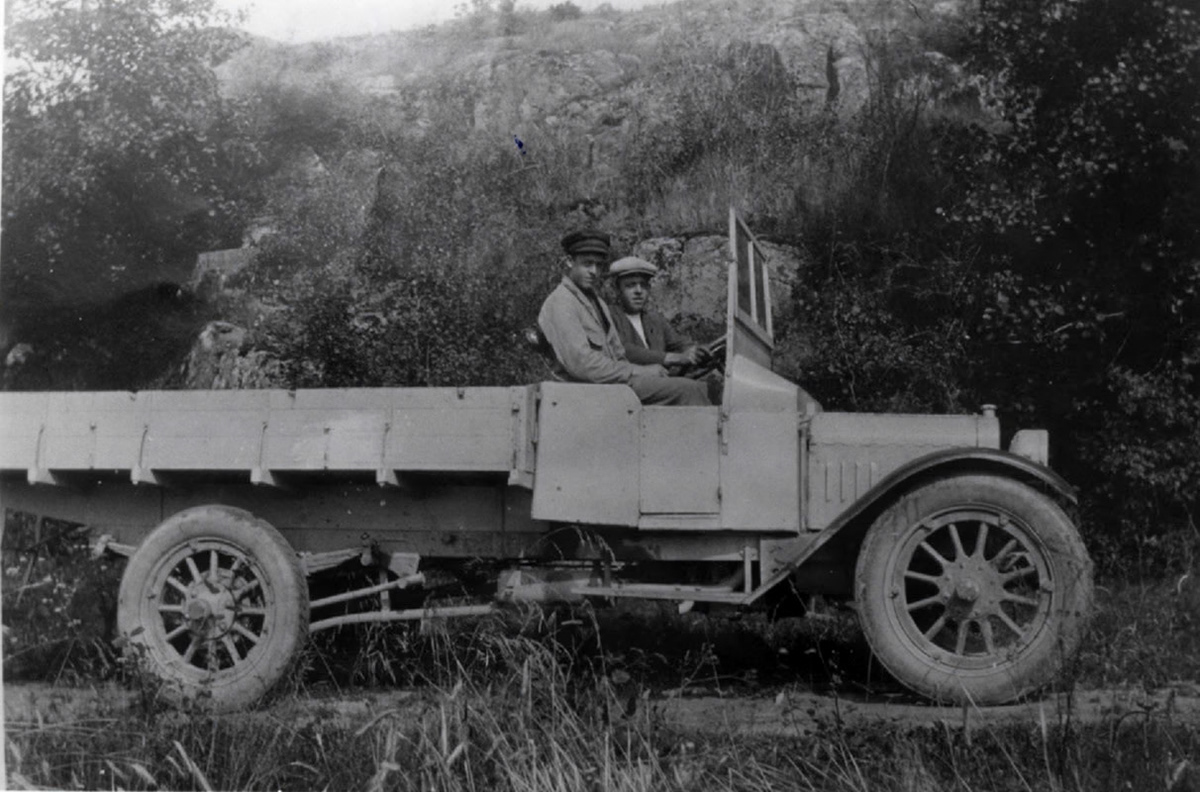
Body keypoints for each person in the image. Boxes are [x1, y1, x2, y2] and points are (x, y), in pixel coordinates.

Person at [537, 230, 710, 406]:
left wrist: (644, 371)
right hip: (586, 394)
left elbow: (618, 353)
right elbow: (582, 364)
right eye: (587, 264)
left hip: (610, 386)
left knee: (701, 384)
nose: (594, 271)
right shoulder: (562, 303)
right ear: (569, 262)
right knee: (689, 390)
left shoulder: (595, 303)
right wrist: (638, 371)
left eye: (598, 265)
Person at [606, 256, 709, 374]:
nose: (639, 291)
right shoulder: (609, 315)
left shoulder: (655, 319)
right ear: (617, 290)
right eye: (630, 285)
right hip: (628, 385)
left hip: (661, 384)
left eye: (643, 285)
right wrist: (672, 358)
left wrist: (695, 351)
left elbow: (678, 343)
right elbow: (622, 349)